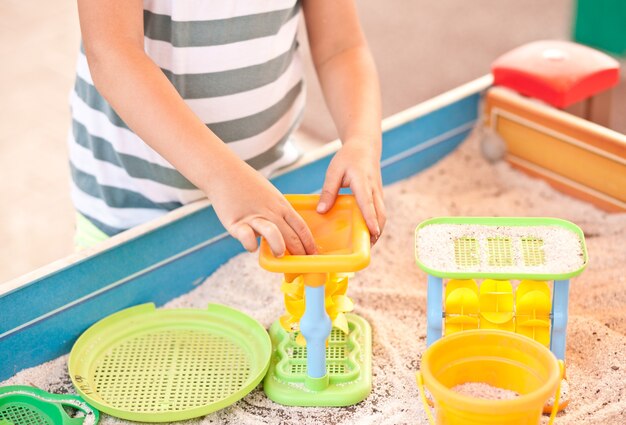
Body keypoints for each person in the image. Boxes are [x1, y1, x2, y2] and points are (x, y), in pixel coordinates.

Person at [71, 0, 386, 256]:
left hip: (266, 190)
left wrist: (361, 140)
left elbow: (341, 47)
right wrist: (223, 176)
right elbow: (112, 53)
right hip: (132, 210)